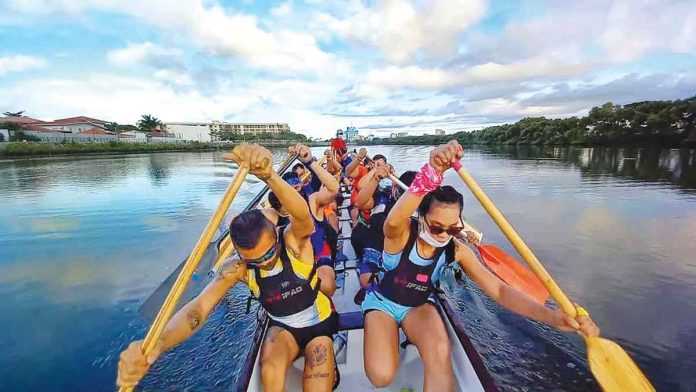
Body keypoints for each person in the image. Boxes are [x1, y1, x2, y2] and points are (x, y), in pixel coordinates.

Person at [361, 141, 600, 392]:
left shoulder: (457, 249)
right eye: (436, 227)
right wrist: (432, 172)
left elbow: (498, 290)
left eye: (452, 228)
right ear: (420, 218)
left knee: (440, 350)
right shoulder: (399, 233)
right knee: (381, 376)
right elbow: (394, 218)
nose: (444, 235)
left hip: (419, 305)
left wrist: (552, 317)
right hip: (384, 301)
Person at [117, 144, 338, 392]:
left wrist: (269, 176)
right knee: (271, 372)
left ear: (276, 236)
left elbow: (301, 215)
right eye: (255, 260)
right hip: (283, 327)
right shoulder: (238, 269)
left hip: (319, 323)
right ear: (241, 254)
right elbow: (198, 309)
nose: (264, 262)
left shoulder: (295, 243)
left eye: (268, 253)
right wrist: (158, 345)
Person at [263, 144, 340, 296]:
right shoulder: (274, 211)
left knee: (327, 286)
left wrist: (310, 162)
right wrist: (266, 175)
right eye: (289, 192)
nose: (295, 195)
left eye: (297, 189)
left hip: (318, 256)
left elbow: (333, 188)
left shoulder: (312, 200)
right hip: (293, 262)